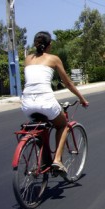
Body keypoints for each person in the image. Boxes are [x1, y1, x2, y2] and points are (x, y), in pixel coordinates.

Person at [21, 31, 89, 176]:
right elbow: (68, 83)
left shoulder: (27, 59)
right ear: (49, 45)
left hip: (26, 103)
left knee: (40, 128)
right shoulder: (54, 59)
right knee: (63, 125)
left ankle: (43, 162)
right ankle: (57, 160)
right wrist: (82, 99)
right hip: (45, 102)